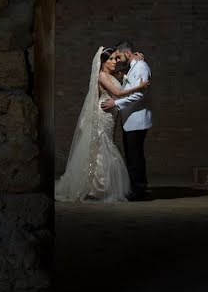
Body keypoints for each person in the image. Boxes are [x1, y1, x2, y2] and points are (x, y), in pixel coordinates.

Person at [55, 46, 149, 203]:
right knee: (100, 147)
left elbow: (128, 72)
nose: (115, 61)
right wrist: (140, 87)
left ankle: (102, 187)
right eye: (111, 59)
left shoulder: (113, 75)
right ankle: (94, 188)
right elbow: (118, 94)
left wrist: (138, 58)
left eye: (115, 58)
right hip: (102, 114)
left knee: (105, 146)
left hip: (110, 116)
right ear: (103, 62)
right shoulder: (102, 76)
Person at [101, 41, 152, 201]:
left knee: (135, 155)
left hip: (137, 119)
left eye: (119, 56)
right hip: (130, 118)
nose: (118, 60)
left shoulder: (141, 67)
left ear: (127, 53)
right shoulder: (133, 67)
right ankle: (135, 187)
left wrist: (115, 103)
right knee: (132, 155)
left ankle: (139, 189)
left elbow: (139, 94)